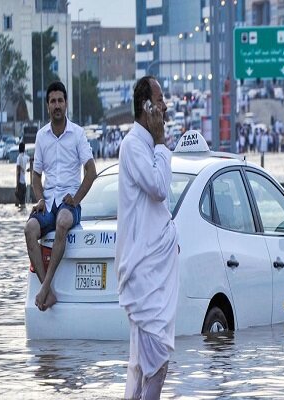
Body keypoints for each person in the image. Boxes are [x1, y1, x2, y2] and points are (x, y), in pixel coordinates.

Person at [116, 75, 180, 399]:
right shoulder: (133, 146)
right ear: (146, 106)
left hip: (155, 271)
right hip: (142, 271)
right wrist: (161, 144)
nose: (165, 106)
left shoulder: (147, 146)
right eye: (160, 99)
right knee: (156, 362)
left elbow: (159, 206)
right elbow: (158, 188)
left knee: (145, 364)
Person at [24, 81, 96, 311]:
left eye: (60, 101)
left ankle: (44, 288)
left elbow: (91, 172)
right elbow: (35, 177)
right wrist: (39, 199)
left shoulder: (77, 134)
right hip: (48, 203)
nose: (57, 105)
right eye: (53, 101)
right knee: (29, 230)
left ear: (66, 104)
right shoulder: (42, 136)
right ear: (47, 106)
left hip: (68, 204)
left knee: (62, 222)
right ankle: (49, 291)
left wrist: (76, 198)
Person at [15, 142, 30, 209]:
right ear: (24, 149)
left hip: (20, 183)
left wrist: (17, 185)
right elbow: (32, 160)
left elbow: (18, 172)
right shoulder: (26, 157)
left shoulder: (18, 158)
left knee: (20, 204)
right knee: (23, 204)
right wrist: (29, 169)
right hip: (24, 183)